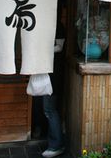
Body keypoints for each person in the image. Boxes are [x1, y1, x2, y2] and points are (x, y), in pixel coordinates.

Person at [42, 12, 66, 158]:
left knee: (50, 109)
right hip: (46, 72)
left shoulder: (59, 26)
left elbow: (60, 47)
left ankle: (57, 145)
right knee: (47, 109)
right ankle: (54, 141)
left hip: (54, 75)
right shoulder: (48, 25)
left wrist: (40, 50)